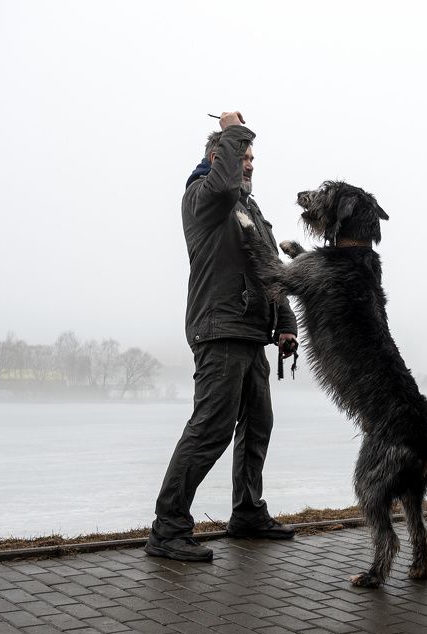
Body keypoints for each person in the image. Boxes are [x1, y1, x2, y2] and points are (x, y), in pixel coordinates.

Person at [146, 110, 298, 562]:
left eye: (251, 159)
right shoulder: (204, 197)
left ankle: (247, 514)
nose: (249, 165)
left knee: (257, 426)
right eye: (242, 157)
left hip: (250, 334)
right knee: (210, 429)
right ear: (218, 158)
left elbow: (269, 268)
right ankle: (168, 528)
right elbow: (225, 184)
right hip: (220, 329)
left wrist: (286, 323)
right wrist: (232, 130)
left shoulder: (248, 209)